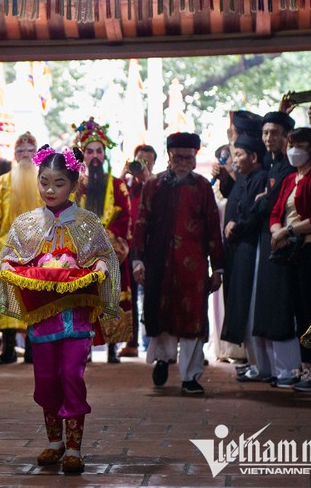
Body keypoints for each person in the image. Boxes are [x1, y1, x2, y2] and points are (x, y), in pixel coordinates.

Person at [0, 145, 119, 474]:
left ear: (75, 184)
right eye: (44, 181)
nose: (49, 190)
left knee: (71, 375)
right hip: (43, 314)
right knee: (46, 378)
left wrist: (101, 268)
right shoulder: (27, 224)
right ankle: (54, 441)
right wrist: (8, 266)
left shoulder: (87, 223)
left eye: (58, 183)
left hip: (76, 314)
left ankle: (74, 447)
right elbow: (10, 257)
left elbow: (103, 256)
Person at [132, 133, 224, 395]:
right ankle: (163, 359)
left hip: (193, 265)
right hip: (159, 261)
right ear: (169, 158)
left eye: (188, 157)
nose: (183, 162)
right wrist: (138, 261)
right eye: (178, 157)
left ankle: (191, 376)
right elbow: (141, 225)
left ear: (195, 159)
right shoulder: (154, 186)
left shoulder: (203, 188)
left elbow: (213, 230)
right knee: (160, 314)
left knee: (193, 317)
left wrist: (217, 267)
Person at [270, 127, 311, 392]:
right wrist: (277, 231)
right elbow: (276, 212)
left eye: (298, 145)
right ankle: (305, 365)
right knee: (298, 310)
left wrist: (289, 230)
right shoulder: (289, 179)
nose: (292, 151)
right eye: (290, 145)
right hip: (291, 253)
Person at [0, 133, 44, 364]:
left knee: (35, 295)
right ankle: (7, 347)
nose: (25, 155)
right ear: (14, 155)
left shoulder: (44, 180)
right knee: (7, 297)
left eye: (30, 150)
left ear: (37, 154)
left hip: (39, 247)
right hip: (9, 247)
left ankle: (32, 347)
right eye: (20, 151)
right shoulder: (3, 182)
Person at [73, 118, 132, 363]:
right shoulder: (76, 186)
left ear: (104, 154)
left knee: (112, 296)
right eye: (90, 152)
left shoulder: (118, 185)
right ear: (83, 155)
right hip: (83, 251)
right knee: (86, 299)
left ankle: (113, 347)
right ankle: (85, 345)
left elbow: (126, 215)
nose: (95, 156)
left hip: (111, 248)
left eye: (99, 151)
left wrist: (109, 237)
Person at [251, 111, 301, 387]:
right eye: (266, 133)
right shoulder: (272, 166)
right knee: (269, 305)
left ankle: (289, 370)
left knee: (282, 307)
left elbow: (270, 205)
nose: (269, 138)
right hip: (269, 239)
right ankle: (274, 368)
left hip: (287, 244)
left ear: (287, 137)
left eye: (275, 133)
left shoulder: (289, 169)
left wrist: (263, 201)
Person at [218, 135, 270, 381]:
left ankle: (261, 366)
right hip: (238, 250)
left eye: (238, 154)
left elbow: (251, 213)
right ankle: (254, 363)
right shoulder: (244, 178)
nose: (234, 159)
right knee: (241, 305)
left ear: (254, 157)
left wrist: (235, 227)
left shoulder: (260, 179)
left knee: (249, 307)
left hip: (249, 248)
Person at [120, 144, 157, 357]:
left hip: (149, 245)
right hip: (128, 245)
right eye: (138, 160)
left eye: (146, 162)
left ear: (153, 164)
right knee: (129, 295)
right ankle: (131, 342)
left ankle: (154, 341)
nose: (141, 165)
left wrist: (145, 177)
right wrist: (123, 174)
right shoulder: (125, 184)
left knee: (152, 294)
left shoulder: (155, 183)